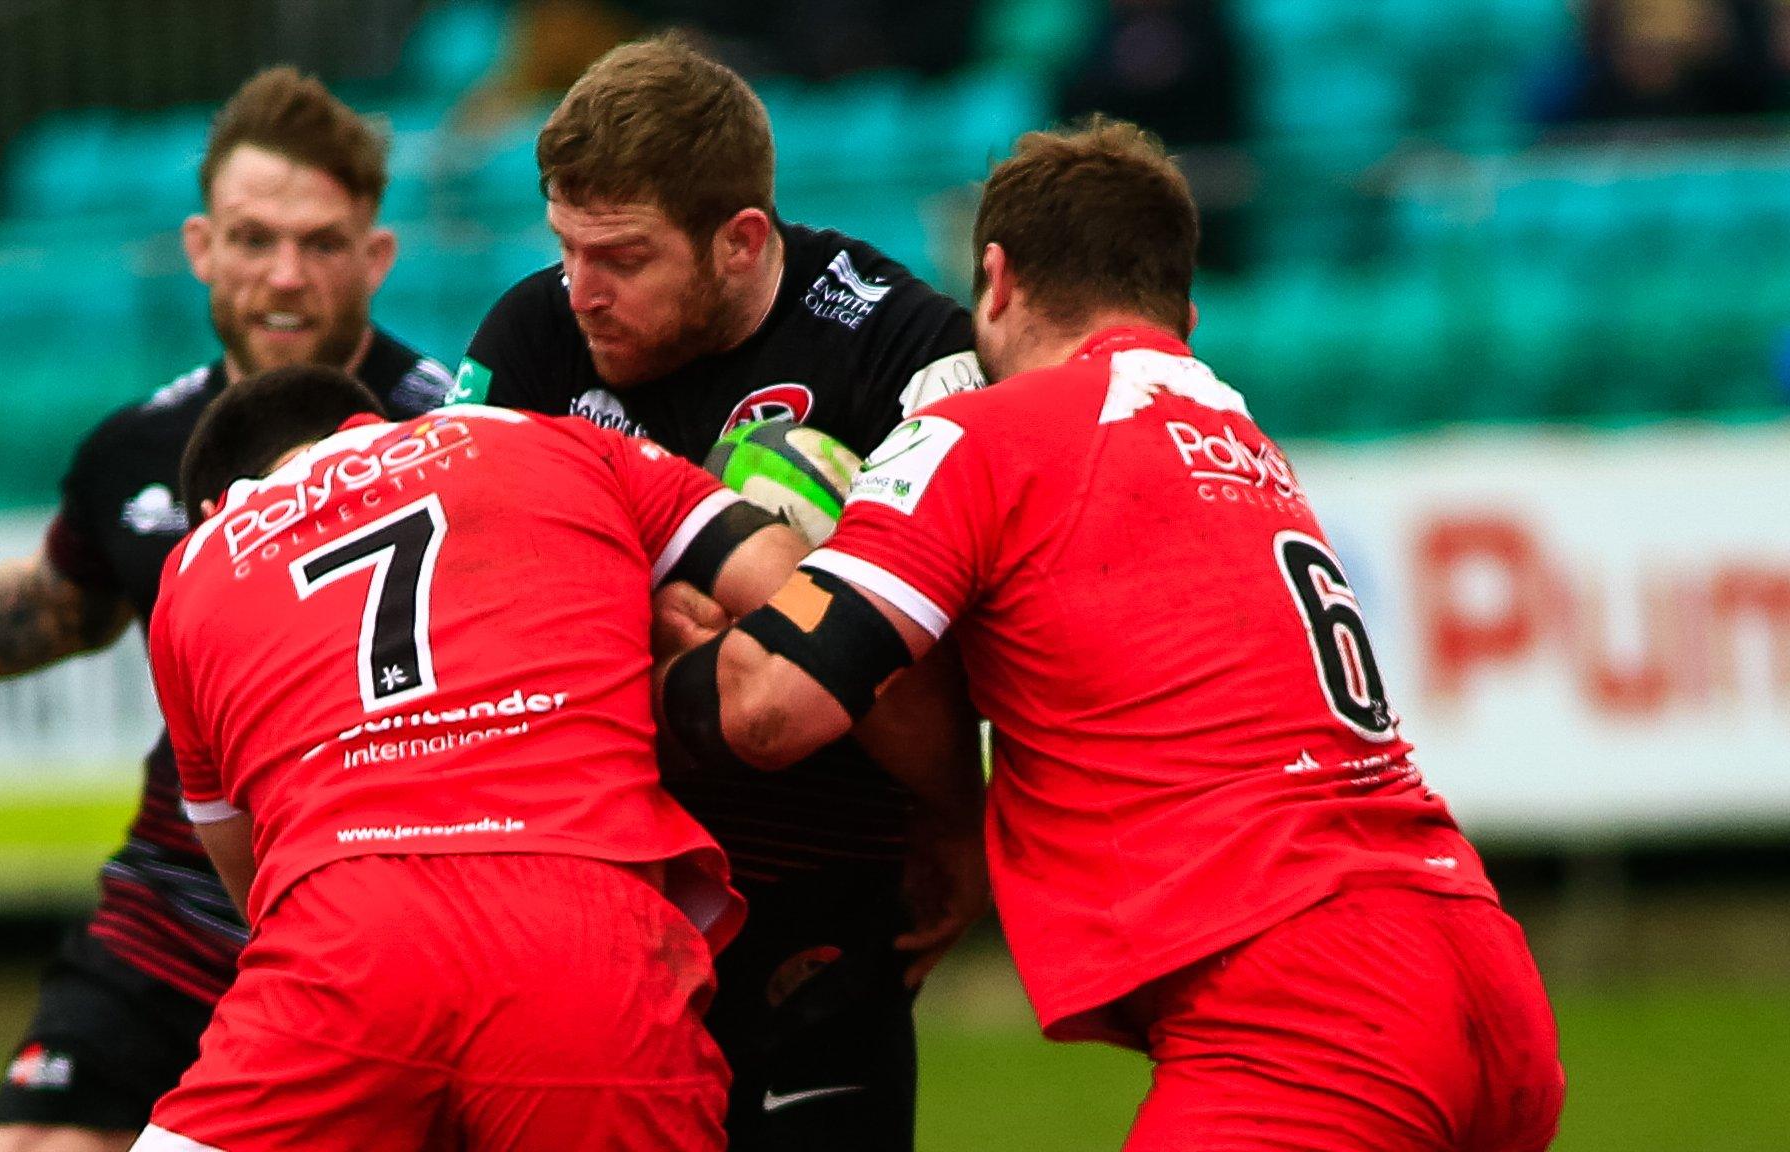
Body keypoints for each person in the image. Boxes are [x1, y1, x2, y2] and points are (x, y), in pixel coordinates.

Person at [657, 118, 1568, 1151]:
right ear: (1182, 308)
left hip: (1309, 1005)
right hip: (1479, 965)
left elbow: (772, 706)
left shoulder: (980, 431)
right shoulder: (1236, 432)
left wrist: (669, 652)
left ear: (992, 282)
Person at [0, 68, 454, 1152]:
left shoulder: (456, 440)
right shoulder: (132, 449)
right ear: (200, 248)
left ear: (375, 255)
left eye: (321, 242)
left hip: (382, 925)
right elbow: (50, 615)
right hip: (175, 912)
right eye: (252, 238)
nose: (285, 276)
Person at [135, 365, 968, 1152]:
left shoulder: (198, 564)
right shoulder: (549, 439)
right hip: (582, 919)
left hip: (349, 932)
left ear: (217, 501)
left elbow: (255, 884)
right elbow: (807, 607)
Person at [450, 34, 987, 1150]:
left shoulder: (907, 347)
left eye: (622, 260)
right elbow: (463, 612)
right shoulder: (529, 336)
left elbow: (960, 635)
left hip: (823, 875)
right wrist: (661, 612)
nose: (580, 293)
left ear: (741, 241)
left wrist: (956, 820)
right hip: (597, 880)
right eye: (564, 249)